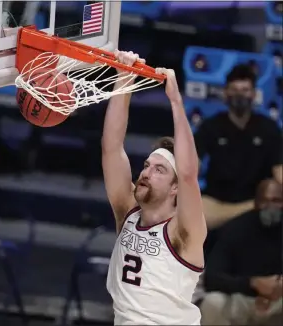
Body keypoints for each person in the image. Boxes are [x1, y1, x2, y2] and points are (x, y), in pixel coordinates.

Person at [103, 50, 207, 325]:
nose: (146, 173)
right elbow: (111, 149)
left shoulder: (183, 232)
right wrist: (123, 79)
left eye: (159, 170)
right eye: (147, 166)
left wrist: (175, 101)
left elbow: (187, 174)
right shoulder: (127, 211)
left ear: (175, 189)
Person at [194, 64, 283, 230]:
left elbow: (279, 170)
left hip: (258, 203)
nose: (239, 95)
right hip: (218, 202)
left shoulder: (269, 128)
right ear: (225, 93)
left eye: (245, 90)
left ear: (254, 94)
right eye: (234, 89)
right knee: (198, 211)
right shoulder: (211, 126)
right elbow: (192, 166)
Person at [200, 178, 282, 325]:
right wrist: (252, 283)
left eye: (276, 200)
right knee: (213, 302)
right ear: (256, 203)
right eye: (264, 201)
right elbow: (211, 279)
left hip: (278, 301)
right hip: (242, 298)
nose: (269, 206)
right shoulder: (235, 230)